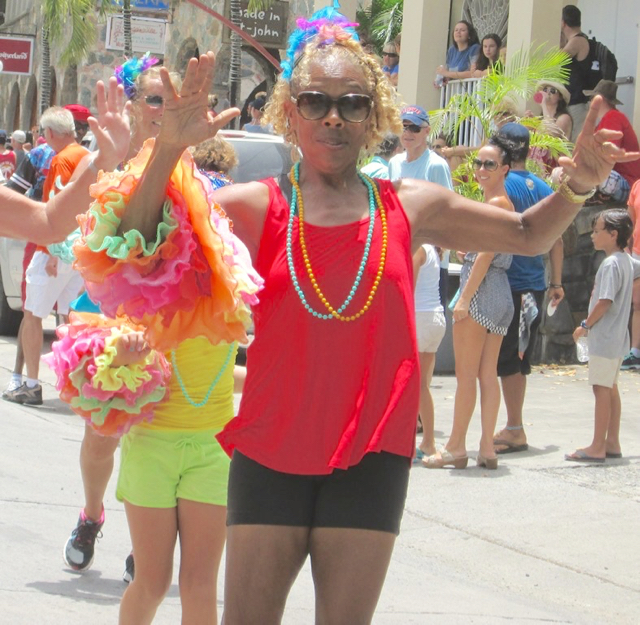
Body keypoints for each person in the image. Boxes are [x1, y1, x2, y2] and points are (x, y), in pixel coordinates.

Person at [113, 3, 638, 618]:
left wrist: (578, 185)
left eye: (354, 104)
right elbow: (139, 250)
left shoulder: (411, 206)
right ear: (290, 111)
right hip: (270, 450)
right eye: (315, 102)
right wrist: (166, 149)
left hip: (372, 455)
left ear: (375, 117)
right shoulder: (254, 205)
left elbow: (525, 234)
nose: (334, 117)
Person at [60, 56, 181, 578]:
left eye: (170, 99)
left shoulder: (188, 158)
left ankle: (146, 537)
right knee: (101, 435)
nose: (163, 109)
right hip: (106, 311)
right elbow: (67, 224)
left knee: (158, 430)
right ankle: (91, 514)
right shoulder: (107, 155)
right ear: (132, 104)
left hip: (169, 315)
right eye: (155, 98)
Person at [424, 136, 515, 470]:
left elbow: (487, 255)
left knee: (466, 375)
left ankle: (456, 446)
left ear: (504, 168)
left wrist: (463, 298)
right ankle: (486, 447)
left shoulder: (495, 204)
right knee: (486, 373)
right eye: (478, 162)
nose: (480, 169)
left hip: (482, 290)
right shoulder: (503, 204)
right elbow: (488, 250)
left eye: (489, 164)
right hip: (500, 292)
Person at [3, 107, 89, 406]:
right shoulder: (84, 156)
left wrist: (52, 250)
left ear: (49, 133)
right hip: (78, 251)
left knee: (33, 316)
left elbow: (56, 207)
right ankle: (76, 387)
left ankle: (31, 384)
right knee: (70, 320)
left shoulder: (62, 159)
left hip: (53, 249)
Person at [491, 124, 564, 455]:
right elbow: (557, 238)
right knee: (515, 356)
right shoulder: (545, 186)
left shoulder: (504, 185)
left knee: (511, 358)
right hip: (532, 284)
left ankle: (515, 428)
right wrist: (557, 282)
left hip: (513, 284)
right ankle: (511, 425)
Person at [0, 78, 130, 243]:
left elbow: (49, 224)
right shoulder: (82, 154)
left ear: (50, 132)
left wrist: (104, 161)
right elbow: (49, 225)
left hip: (62, 243)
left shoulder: (55, 156)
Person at [567, 210, 640, 462]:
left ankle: (597, 446)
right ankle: (612, 441)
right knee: (611, 387)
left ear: (613, 234)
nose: (593, 235)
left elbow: (605, 300)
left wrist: (585, 325)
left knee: (601, 389)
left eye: (598, 231)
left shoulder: (610, 264)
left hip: (605, 337)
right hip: (619, 339)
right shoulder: (626, 260)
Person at [413, 244, 446, 459]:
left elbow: (407, 285)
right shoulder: (434, 249)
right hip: (436, 318)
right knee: (422, 386)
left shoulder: (419, 249)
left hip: (419, 317)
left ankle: (410, 442)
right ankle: (428, 442)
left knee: (411, 386)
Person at [583, 80, 640, 204]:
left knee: (597, 176)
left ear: (600, 100)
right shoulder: (605, 121)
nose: (590, 102)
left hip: (627, 182)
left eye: (592, 98)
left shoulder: (613, 117)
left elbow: (607, 157)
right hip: (616, 181)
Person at [561, 4, 592, 142]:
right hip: (573, 100)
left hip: (577, 100)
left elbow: (555, 61)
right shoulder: (576, 40)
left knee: (574, 142)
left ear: (563, 23)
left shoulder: (577, 41)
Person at [622, 180, 640, 370]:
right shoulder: (637, 186)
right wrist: (625, 245)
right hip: (637, 252)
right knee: (637, 302)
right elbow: (630, 220)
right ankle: (635, 351)